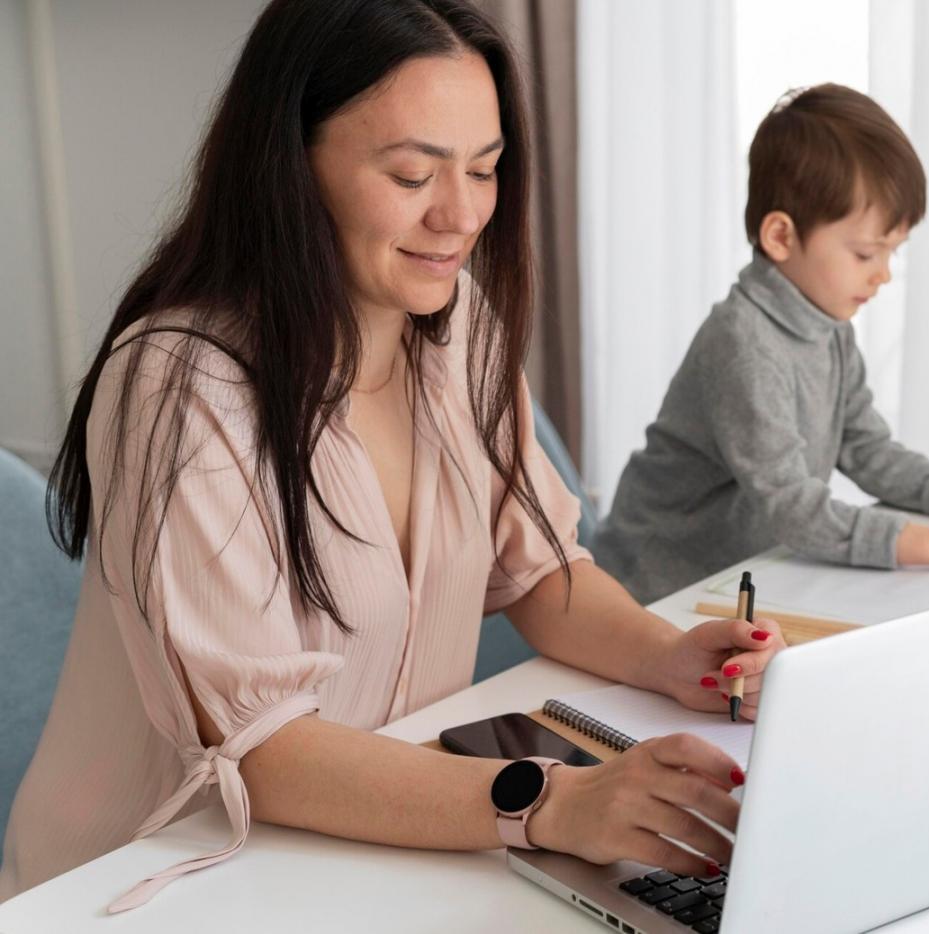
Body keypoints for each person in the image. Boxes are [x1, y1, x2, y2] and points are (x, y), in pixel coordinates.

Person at [0, 0, 784, 910]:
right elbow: (263, 749)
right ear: (291, 164)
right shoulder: (183, 385)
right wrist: (554, 803)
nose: (461, 214)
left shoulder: (459, 330)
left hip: (369, 846)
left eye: (484, 169)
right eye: (413, 173)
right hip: (148, 883)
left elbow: (538, 569)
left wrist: (671, 658)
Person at [594, 84, 929, 604]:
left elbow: (868, 450)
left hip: (737, 578)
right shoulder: (744, 345)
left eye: (892, 253)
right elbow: (793, 507)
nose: (883, 274)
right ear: (780, 237)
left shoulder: (828, 327)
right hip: (651, 591)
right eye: (865, 254)